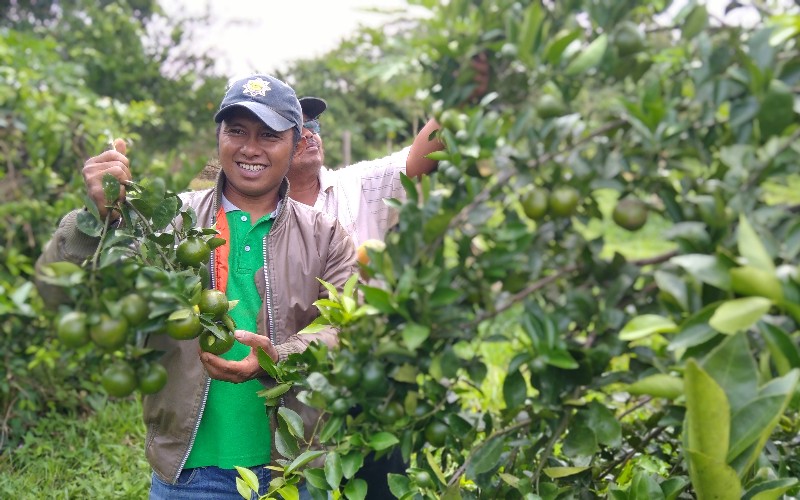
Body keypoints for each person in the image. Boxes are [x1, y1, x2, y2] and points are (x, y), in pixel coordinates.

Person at [35, 74, 358, 499]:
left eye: (269, 135)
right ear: (219, 136)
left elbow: (347, 330)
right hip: (191, 473)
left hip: (296, 469)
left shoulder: (326, 234)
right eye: (237, 131)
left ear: (297, 145)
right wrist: (93, 222)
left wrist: (278, 356)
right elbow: (57, 292)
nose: (250, 148)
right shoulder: (167, 222)